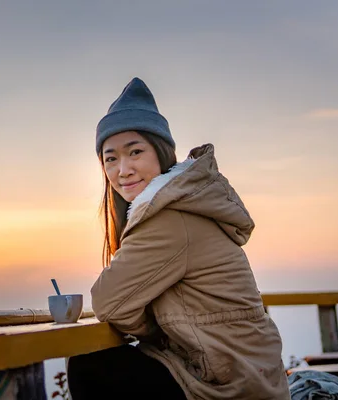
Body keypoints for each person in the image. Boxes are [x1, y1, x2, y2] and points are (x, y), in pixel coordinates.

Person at [67, 77, 291, 400]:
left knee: (90, 365)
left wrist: (148, 326)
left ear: (161, 152)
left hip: (232, 387)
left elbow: (108, 301)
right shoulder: (182, 205)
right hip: (244, 376)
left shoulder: (171, 219)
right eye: (110, 158)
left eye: (135, 152)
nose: (123, 169)